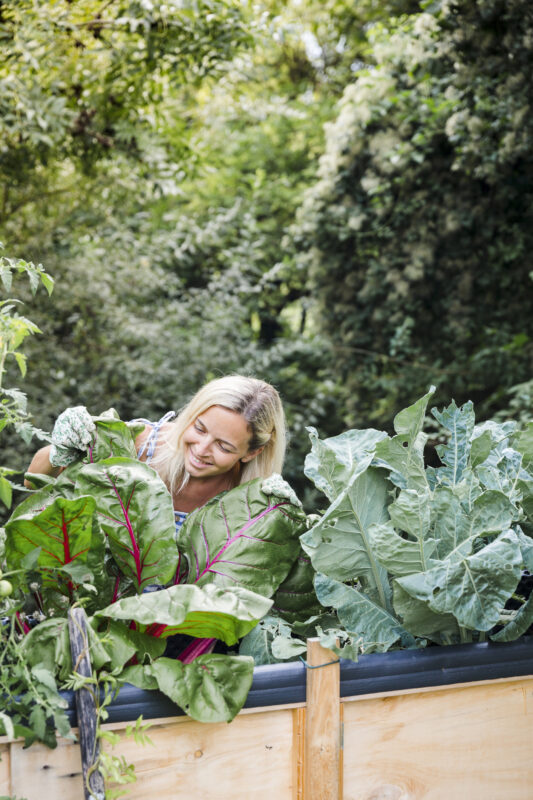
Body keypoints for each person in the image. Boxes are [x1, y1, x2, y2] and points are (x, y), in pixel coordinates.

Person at [25, 375, 288, 530]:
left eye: (223, 446)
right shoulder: (138, 443)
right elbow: (32, 484)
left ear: (252, 453)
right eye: (199, 428)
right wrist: (59, 451)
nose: (202, 449)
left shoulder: (251, 501)